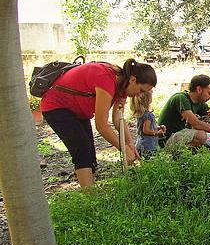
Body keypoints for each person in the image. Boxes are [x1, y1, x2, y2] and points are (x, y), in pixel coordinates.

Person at [41, 59, 157, 187]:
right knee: (82, 148)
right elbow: (101, 125)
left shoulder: (123, 86)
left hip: (78, 111)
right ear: (133, 80)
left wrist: (129, 144)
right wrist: (123, 150)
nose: (139, 95)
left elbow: (118, 118)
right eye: (141, 90)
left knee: (90, 154)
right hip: (56, 106)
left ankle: (90, 190)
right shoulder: (106, 79)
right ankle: (91, 199)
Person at [158, 74, 210, 148]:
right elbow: (196, 124)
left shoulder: (199, 103)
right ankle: (175, 155)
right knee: (201, 135)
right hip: (167, 139)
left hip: (181, 134)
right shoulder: (181, 98)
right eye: (209, 93)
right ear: (199, 89)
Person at [130, 90, 166, 156]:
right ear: (147, 100)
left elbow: (145, 127)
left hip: (141, 144)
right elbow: (146, 130)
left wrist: (157, 127)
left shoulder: (141, 113)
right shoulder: (148, 115)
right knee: (150, 163)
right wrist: (157, 133)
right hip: (149, 146)